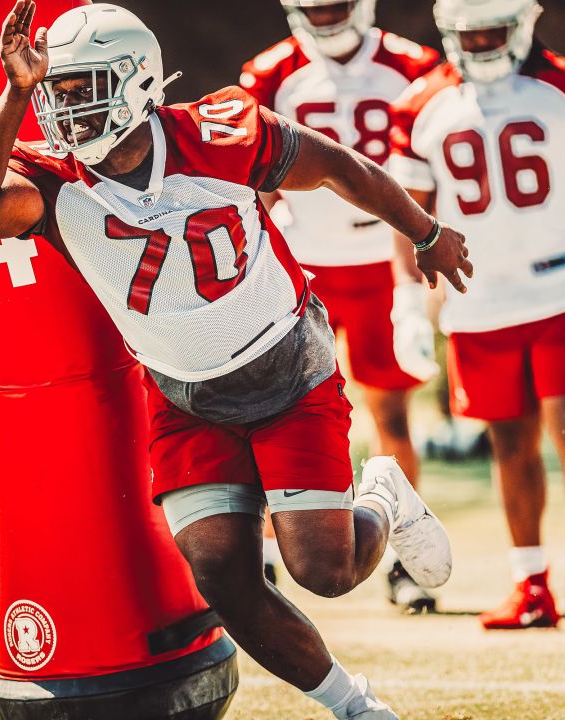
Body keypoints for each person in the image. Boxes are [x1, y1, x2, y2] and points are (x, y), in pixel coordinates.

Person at [0, 3, 472, 717]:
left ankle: (383, 492)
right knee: (222, 575)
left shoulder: (224, 131)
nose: (66, 110)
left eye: (82, 89)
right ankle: (354, 705)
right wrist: (14, 94)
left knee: (325, 570)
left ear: (135, 81)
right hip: (186, 398)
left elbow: (339, 165)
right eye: (55, 94)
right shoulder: (54, 179)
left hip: (287, 372)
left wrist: (426, 229)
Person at [386, 0, 565, 632]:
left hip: (562, 287)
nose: (478, 45)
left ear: (522, 25)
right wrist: (408, 303)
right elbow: (407, 211)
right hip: (478, 297)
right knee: (508, 440)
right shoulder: (421, 105)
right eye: (467, 34)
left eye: (490, 31)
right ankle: (531, 585)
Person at [239, 0, 443, 612]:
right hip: (301, 267)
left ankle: (402, 556)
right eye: (314, 9)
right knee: (277, 414)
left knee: (393, 415)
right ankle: (271, 554)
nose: (326, 19)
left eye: (335, 7)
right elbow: (256, 183)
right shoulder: (271, 72)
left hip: (385, 266)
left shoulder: (413, 66)